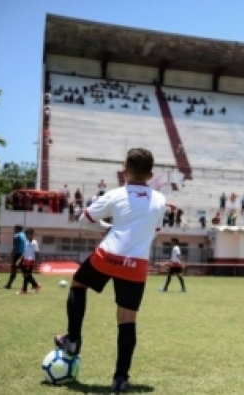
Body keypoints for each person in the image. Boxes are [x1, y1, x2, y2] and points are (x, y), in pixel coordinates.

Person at [52, 148, 167, 392]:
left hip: (108, 256)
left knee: (78, 284)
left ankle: (73, 339)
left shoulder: (115, 195)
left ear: (124, 171)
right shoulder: (160, 200)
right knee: (126, 320)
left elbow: (84, 220)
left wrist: (107, 227)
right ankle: (120, 379)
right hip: (136, 264)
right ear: (151, 174)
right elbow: (156, 231)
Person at [17, 228, 41, 295]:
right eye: (27, 234)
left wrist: (36, 261)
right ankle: (35, 286)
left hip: (31, 261)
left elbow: (37, 252)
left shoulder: (34, 242)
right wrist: (20, 259)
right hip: (25, 260)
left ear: (33, 234)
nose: (28, 236)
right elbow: (24, 252)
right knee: (26, 275)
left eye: (30, 234)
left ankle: (26, 289)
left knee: (27, 275)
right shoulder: (26, 242)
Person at [4, 224, 26, 289]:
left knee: (13, 270)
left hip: (18, 254)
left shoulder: (16, 236)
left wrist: (10, 255)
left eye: (14, 228)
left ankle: (9, 284)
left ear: (17, 229)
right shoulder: (24, 235)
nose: (13, 230)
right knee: (24, 270)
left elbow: (15, 247)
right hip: (24, 255)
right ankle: (33, 284)